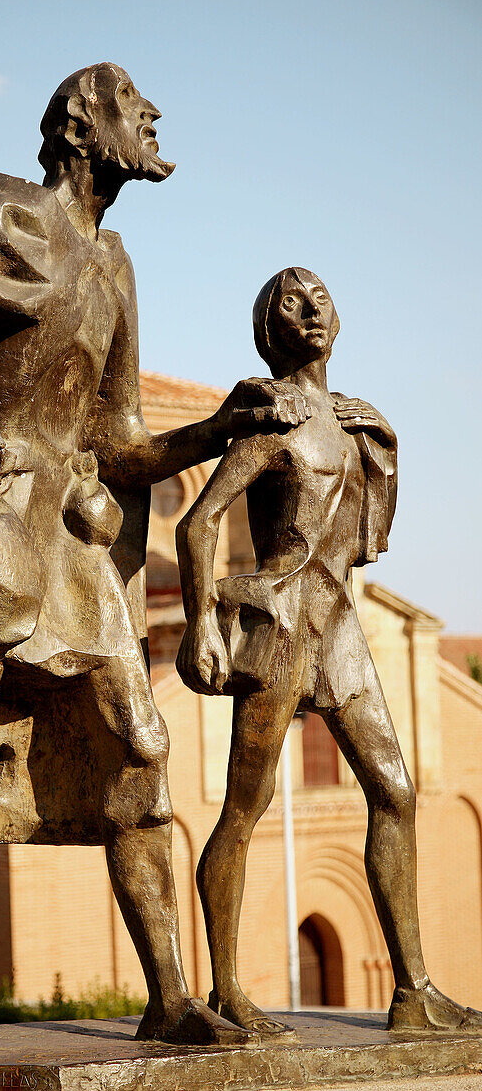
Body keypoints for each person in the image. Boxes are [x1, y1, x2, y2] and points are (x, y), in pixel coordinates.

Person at [0, 65, 308, 1062]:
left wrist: (216, 428)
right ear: (81, 128)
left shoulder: (115, 265)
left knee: (139, 753)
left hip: (78, 556)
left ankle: (166, 995)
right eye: (134, 105)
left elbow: (121, 439)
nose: (153, 118)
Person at [176, 266, 482, 1036]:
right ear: (269, 326)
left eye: (319, 297)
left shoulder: (351, 423)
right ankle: (227, 990)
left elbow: (368, 535)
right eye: (290, 300)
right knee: (245, 809)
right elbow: (196, 523)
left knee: (397, 792)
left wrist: (382, 435)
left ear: (336, 319)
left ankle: (412, 991)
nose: (309, 308)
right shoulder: (270, 419)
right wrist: (201, 623)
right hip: (280, 623)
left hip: (338, 627)